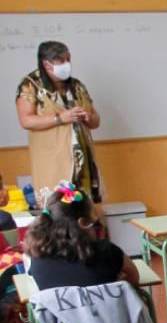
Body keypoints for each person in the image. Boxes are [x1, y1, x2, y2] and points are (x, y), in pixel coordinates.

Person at [15, 41, 102, 205]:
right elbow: (26, 120)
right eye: (61, 61)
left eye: (68, 59)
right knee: (59, 210)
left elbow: (96, 121)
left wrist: (88, 118)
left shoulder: (76, 85)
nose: (67, 64)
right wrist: (60, 118)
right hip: (53, 160)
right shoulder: (30, 85)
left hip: (82, 161)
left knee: (82, 210)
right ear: (47, 64)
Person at [26, 182, 138, 290]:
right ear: (84, 223)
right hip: (107, 309)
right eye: (94, 218)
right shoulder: (107, 252)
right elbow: (134, 278)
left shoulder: (37, 259)